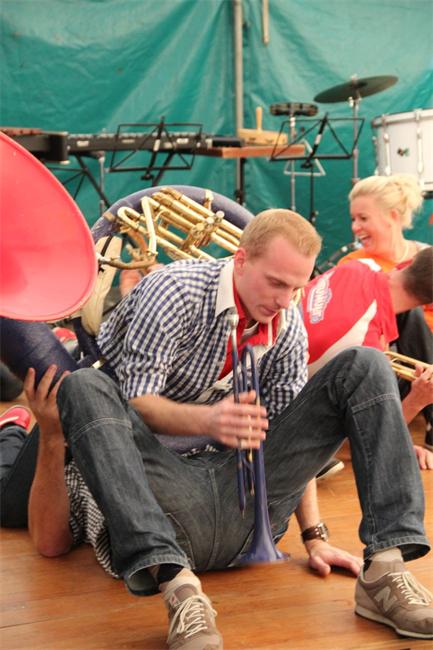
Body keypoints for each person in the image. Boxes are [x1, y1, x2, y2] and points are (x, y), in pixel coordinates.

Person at [25, 208, 433, 648]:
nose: (285, 300)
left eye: (296, 288)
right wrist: (210, 420)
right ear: (240, 260)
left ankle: (385, 568)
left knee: (366, 364)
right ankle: (178, 588)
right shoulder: (174, 291)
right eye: (275, 283)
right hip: (164, 493)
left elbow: (291, 439)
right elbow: (138, 402)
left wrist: (314, 536)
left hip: (246, 500)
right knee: (84, 385)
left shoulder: (287, 322)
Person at [302, 248, 433, 469]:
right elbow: (371, 437)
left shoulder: (361, 264)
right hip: (297, 412)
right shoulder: (365, 353)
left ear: (405, 263)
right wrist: (417, 400)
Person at [338, 174, 433, 451]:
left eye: (363, 218)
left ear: (391, 216)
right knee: (407, 312)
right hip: (388, 372)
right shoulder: (353, 265)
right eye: (353, 219)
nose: (355, 227)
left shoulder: (425, 256)